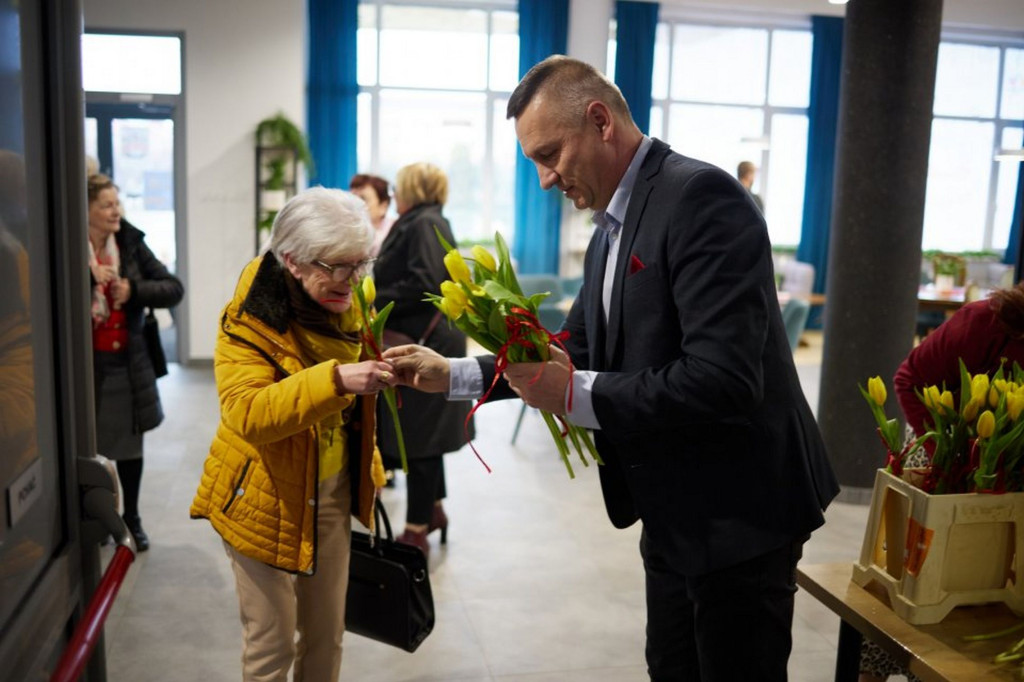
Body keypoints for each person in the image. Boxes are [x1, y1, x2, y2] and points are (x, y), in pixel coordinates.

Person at [384, 55, 840, 681]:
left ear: (599, 121)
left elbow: (724, 378)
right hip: (675, 501)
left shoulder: (701, 197)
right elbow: (576, 343)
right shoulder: (611, 218)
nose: (545, 179)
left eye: (550, 155)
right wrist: (453, 375)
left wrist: (572, 394)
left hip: (741, 505)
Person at [189, 187, 396, 681]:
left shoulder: (352, 300)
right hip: (263, 496)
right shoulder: (248, 320)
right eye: (336, 267)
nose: (351, 281)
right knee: (272, 645)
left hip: (330, 491)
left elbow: (351, 399)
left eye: (361, 264)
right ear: (293, 262)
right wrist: (338, 379)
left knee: (327, 638)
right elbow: (248, 412)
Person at [858, 282, 1024, 682]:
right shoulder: (989, 320)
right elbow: (910, 378)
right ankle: (875, 668)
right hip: (943, 459)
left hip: (1009, 473)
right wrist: (950, 460)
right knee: (912, 586)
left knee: (985, 597)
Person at [372, 161, 473, 557]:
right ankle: (433, 510)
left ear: (413, 188)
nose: (394, 193)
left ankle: (416, 529)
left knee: (420, 437)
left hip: (426, 344)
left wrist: (371, 297)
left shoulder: (421, 223)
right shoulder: (424, 220)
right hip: (425, 339)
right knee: (424, 431)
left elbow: (425, 282)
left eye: (399, 187)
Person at [88, 173, 183, 552]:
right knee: (89, 448)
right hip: (85, 366)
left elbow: (173, 287)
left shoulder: (129, 241)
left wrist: (134, 289)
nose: (116, 212)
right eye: (107, 205)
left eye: (118, 204)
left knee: (130, 448)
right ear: (87, 210)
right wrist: (87, 276)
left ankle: (132, 519)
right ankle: (97, 520)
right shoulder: (66, 242)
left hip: (127, 361)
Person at [349, 173, 394, 257]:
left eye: (363, 199)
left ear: (383, 207)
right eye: (352, 198)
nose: (354, 205)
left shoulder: (395, 235)